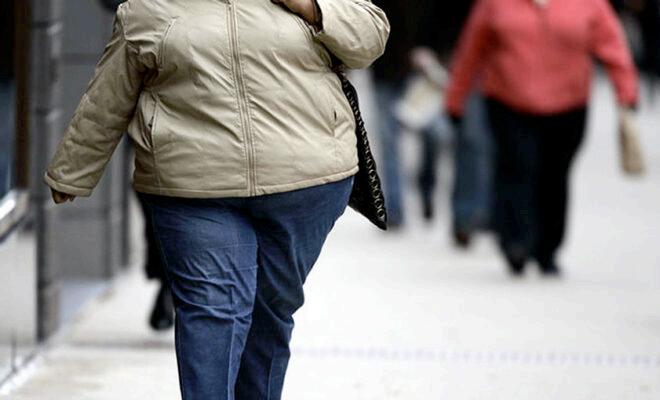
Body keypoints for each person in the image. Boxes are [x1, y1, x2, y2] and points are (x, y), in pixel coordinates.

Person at [43, 0, 389, 398]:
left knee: (270, 312)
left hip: (304, 183)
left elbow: (370, 37)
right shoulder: (147, 7)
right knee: (213, 312)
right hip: (195, 188)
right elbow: (109, 94)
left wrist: (311, 8)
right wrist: (74, 168)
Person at [446, 0, 639, 276]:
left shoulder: (590, 4)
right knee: (515, 169)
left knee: (554, 175)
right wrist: (456, 98)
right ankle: (515, 241)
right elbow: (471, 48)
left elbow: (613, 47)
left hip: (568, 104)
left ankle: (547, 248)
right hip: (508, 100)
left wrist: (626, 93)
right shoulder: (495, 4)